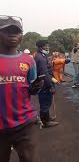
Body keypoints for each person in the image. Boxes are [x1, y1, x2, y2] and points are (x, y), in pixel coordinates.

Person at [0, 15, 43, 162]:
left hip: (25, 124)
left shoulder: (29, 60)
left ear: (21, 36)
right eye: (7, 30)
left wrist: (36, 87)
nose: (12, 34)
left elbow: (30, 90)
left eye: (16, 31)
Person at [34, 40, 59, 127]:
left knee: (45, 102)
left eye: (48, 46)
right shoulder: (40, 58)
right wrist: (50, 86)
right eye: (45, 46)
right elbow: (44, 73)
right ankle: (46, 122)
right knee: (45, 102)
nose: (47, 48)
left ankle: (45, 118)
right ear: (40, 48)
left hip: (45, 82)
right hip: (45, 84)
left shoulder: (42, 56)